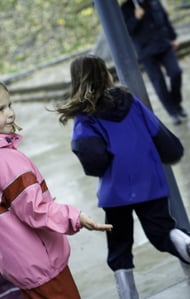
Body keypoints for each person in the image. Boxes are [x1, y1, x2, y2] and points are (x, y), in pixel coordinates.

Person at [53, 55, 190, 298]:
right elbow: (157, 131)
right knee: (161, 230)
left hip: (117, 190)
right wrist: (172, 151)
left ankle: (128, 294)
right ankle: (188, 245)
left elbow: (93, 159)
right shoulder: (129, 100)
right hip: (150, 180)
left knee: (119, 245)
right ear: (105, 75)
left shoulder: (86, 117)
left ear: (78, 81)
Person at [0, 81, 112, 299]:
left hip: (17, 266)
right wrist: (75, 216)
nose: (11, 114)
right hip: (41, 266)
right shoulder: (7, 160)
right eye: (0, 110)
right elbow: (34, 210)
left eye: (9, 105)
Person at [121, 0, 187, 126]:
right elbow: (127, 31)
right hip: (146, 51)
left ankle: (176, 103)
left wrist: (172, 37)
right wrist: (135, 18)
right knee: (159, 83)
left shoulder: (154, 2)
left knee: (176, 72)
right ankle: (173, 112)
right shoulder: (126, 8)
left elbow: (165, 19)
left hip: (164, 44)